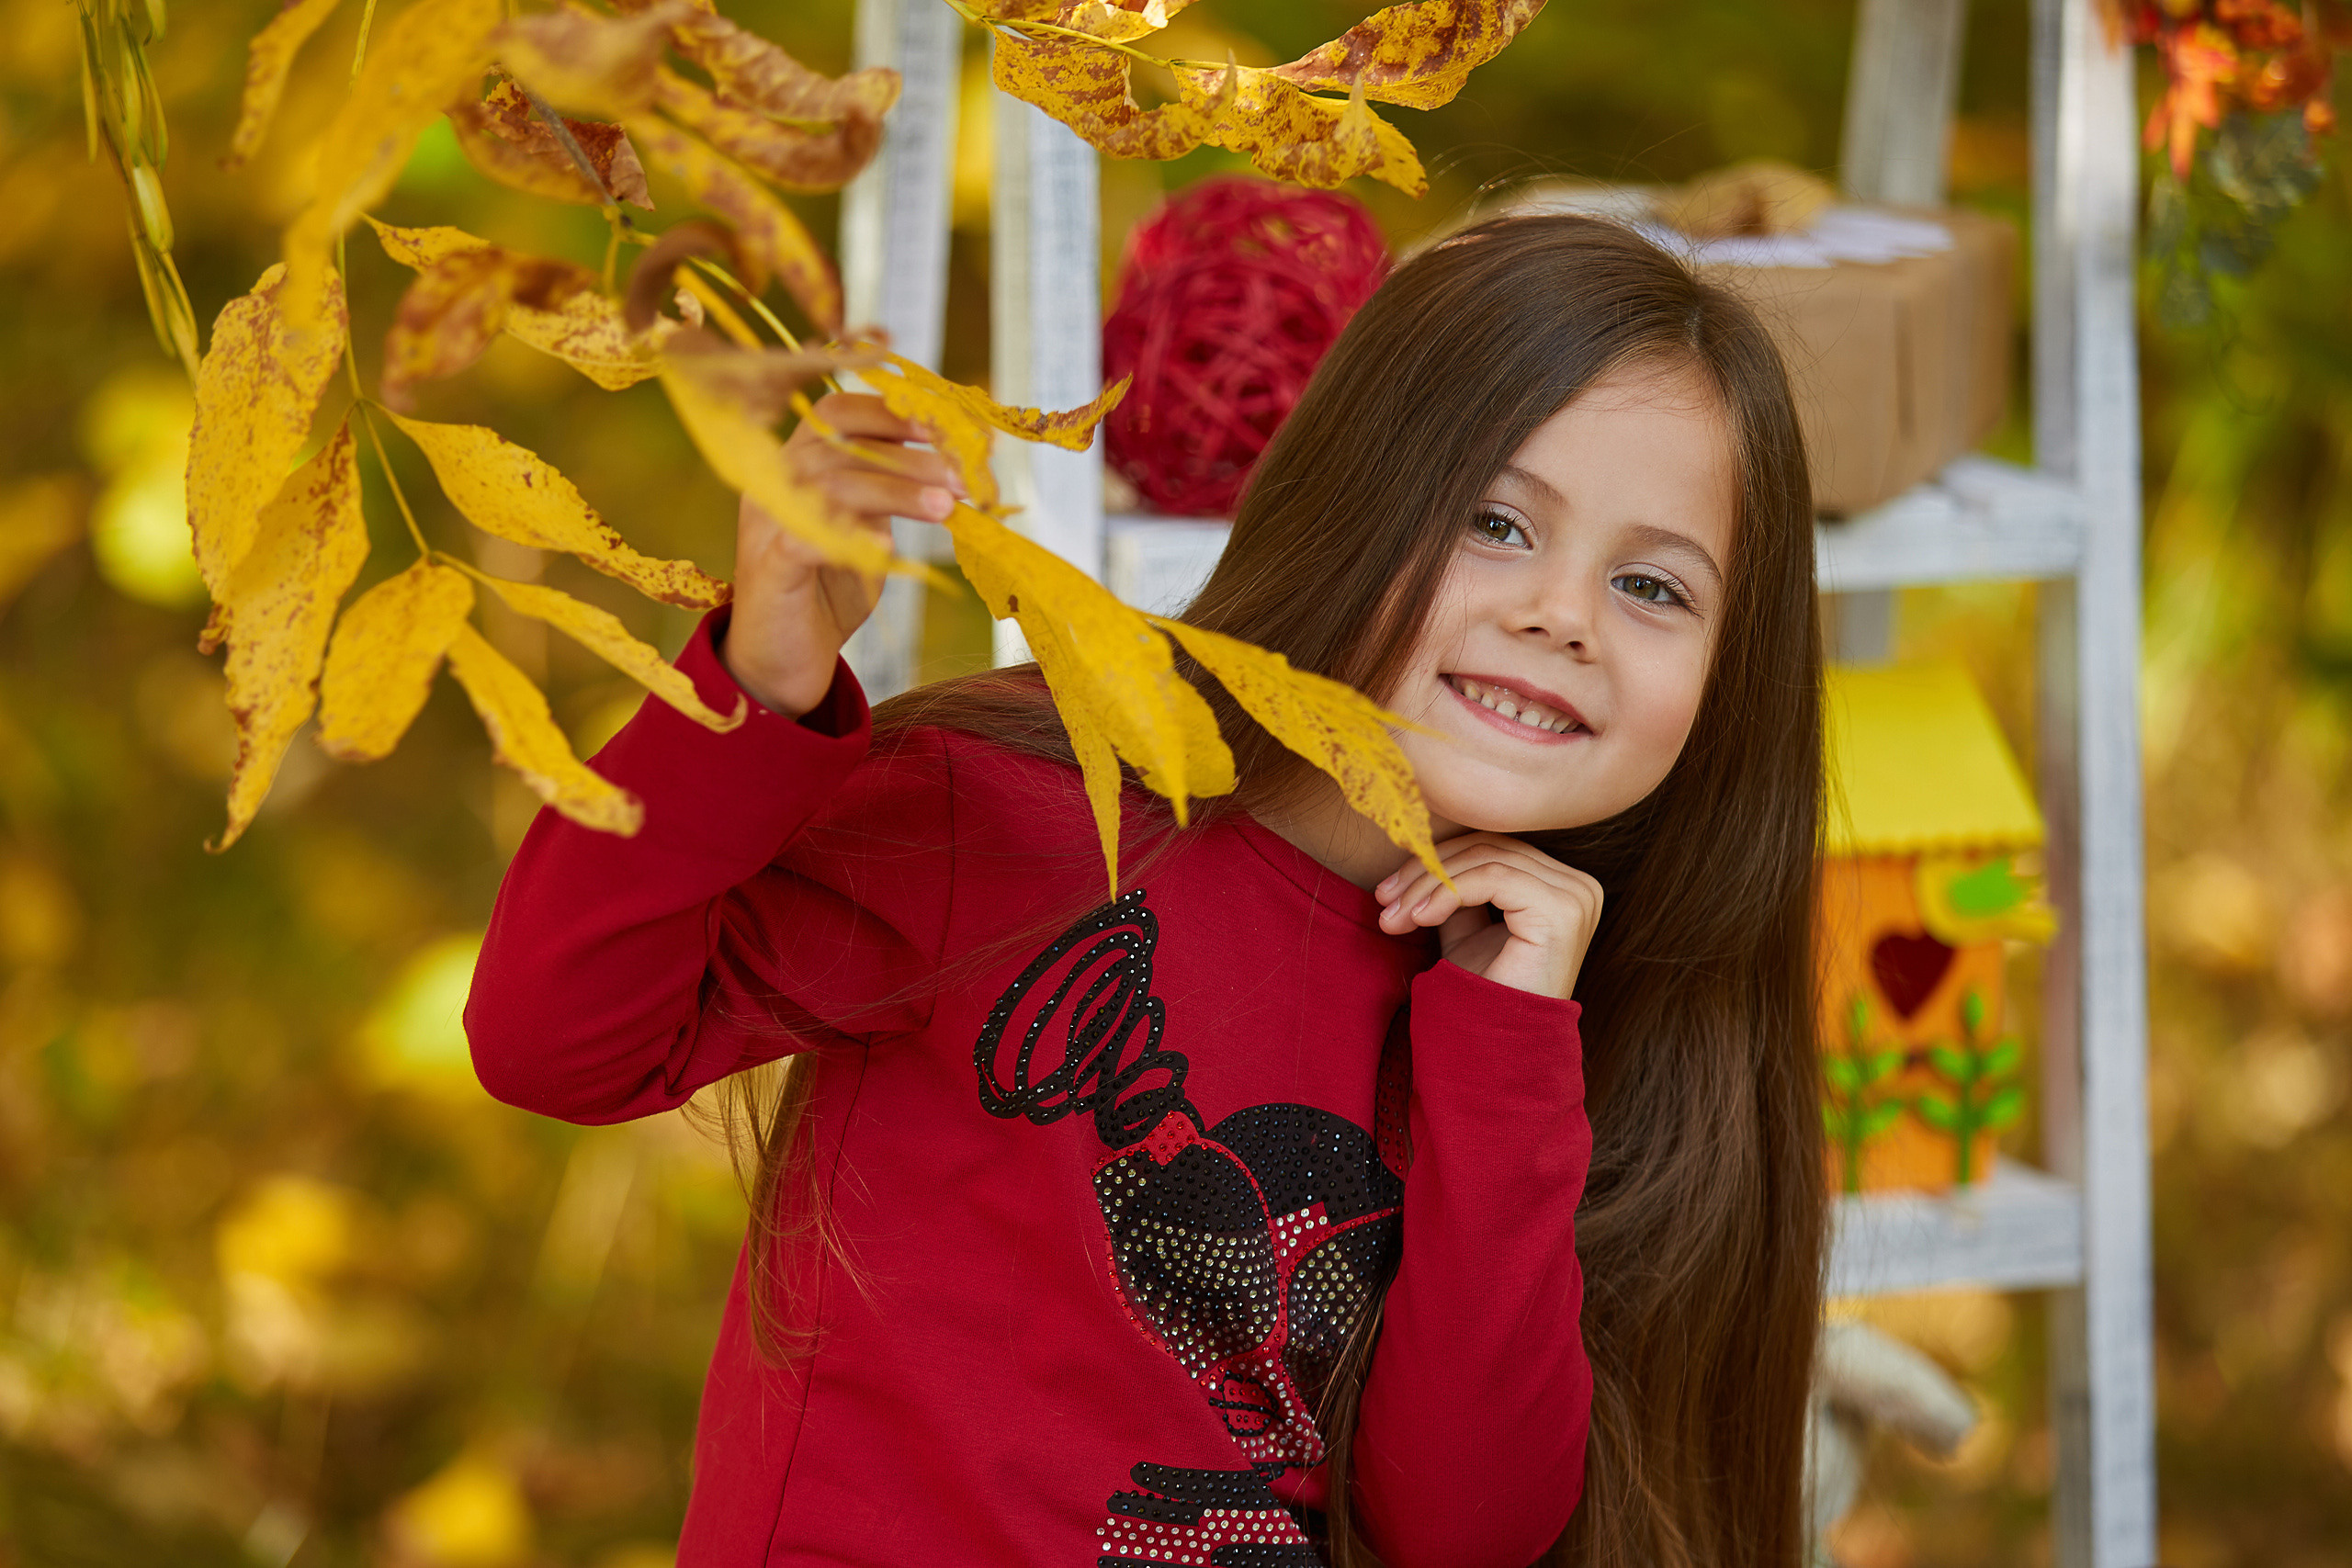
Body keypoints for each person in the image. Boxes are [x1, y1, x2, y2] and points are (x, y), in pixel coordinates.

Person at [466, 211, 1826, 1568]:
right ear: (1357, 495)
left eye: (1654, 585)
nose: (1564, 614)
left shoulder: (1556, 1011)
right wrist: (756, 690)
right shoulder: (1017, 816)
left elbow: (1459, 1533)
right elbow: (556, 1043)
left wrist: (1506, 1049)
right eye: (1496, 521)